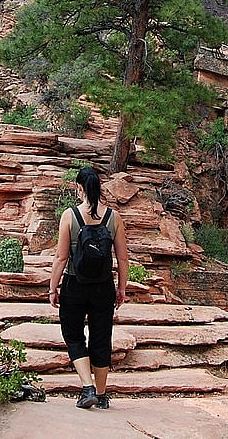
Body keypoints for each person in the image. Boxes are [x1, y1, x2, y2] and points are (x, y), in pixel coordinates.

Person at [48, 166, 129, 409]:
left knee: (73, 334)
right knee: (101, 338)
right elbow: (122, 258)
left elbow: (61, 257)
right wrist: (121, 288)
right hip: (103, 287)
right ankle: (101, 395)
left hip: (74, 284)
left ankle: (87, 387)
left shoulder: (69, 216)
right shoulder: (113, 218)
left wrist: (52, 288)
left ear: (79, 188)